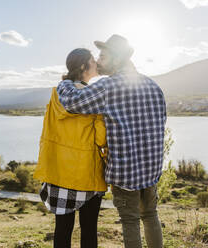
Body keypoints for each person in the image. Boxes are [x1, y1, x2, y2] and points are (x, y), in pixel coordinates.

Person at [57, 34, 167, 248]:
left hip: (125, 173)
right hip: (152, 170)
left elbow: (72, 102)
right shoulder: (154, 86)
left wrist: (66, 83)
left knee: (130, 220)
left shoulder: (109, 86)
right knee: (151, 215)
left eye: (103, 56)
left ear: (118, 58)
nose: (98, 61)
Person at [33, 48, 107, 248]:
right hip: (87, 173)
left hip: (59, 172)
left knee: (63, 229)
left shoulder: (57, 94)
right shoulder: (91, 97)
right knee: (89, 229)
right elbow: (101, 137)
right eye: (93, 60)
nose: (97, 63)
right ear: (84, 66)